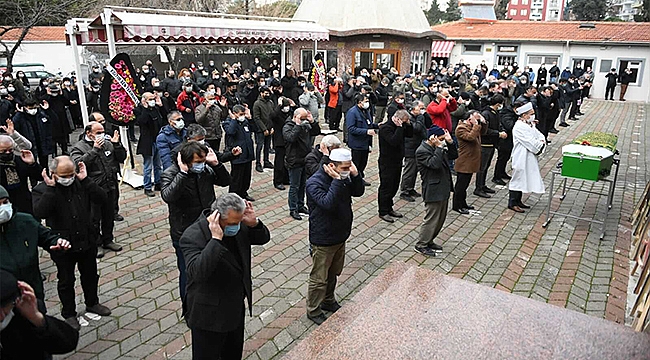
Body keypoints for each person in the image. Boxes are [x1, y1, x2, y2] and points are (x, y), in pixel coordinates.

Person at [181, 194, 270, 360]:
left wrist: (254, 224)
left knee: (232, 354)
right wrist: (215, 240)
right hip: (208, 315)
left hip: (234, 308)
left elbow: (262, 238)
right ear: (216, 217)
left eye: (239, 221)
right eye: (231, 224)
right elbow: (197, 273)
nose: (236, 227)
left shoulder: (238, 224)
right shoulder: (193, 236)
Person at [32, 157, 111, 330]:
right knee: (66, 280)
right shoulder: (43, 189)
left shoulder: (81, 183)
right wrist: (51, 189)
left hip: (86, 239)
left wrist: (86, 180)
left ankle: (92, 302)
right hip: (63, 244)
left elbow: (102, 198)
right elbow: (39, 212)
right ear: (53, 174)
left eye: (71, 174)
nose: (68, 179)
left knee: (90, 275)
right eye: (64, 175)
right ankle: (69, 313)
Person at [161, 141, 230, 308]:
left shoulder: (205, 170)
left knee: (211, 266)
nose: (201, 165)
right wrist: (183, 174)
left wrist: (216, 164)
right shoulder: (171, 173)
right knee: (188, 272)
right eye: (197, 162)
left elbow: (225, 181)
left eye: (203, 160)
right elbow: (168, 196)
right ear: (185, 161)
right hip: (184, 232)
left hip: (208, 227)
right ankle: (189, 306)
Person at [305, 148, 364, 324]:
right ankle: (313, 310)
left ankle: (328, 301)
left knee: (334, 272)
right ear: (332, 166)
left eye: (349, 166)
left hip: (340, 234)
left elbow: (358, 192)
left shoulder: (344, 177)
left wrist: (355, 175)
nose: (347, 170)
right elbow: (327, 203)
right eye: (344, 167)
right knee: (319, 277)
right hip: (323, 237)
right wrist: (338, 181)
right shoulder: (315, 182)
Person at [0, 185, 72, 309]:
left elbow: (46, 236)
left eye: (5, 202)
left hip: (32, 290)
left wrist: (57, 242)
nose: (3, 208)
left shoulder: (25, 221)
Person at [70, 122, 125, 258]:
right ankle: (97, 243)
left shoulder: (108, 143)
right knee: (94, 218)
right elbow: (78, 165)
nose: (101, 135)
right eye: (98, 132)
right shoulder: (79, 147)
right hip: (92, 188)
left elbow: (121, 158)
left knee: (109, 215)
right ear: (89, 133)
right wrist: (94, 150)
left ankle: (108, 239)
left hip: (110, 185)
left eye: (102, 131)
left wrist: (117, 145)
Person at [0, 270, 79, 359]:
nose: (2, 317)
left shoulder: (21, 312)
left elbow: (69, 342)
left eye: (6, 310)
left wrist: (37, 318)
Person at [414, 125, 457, 256]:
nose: (443, 140)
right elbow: (434, 164)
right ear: (432, 138)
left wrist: (450, 142)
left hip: (443, 187)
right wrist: (439, 147)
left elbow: (454, 155)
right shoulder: (422, 151)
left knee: (441, 218)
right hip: (433, 189)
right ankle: (421, 244)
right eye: (441, 138)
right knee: (432, 218)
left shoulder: (438, 146)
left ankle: (430, 240)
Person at [508, 102, 546, 213]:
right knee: (518, 178)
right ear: (524, 115)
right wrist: (539, 144)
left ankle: (518, 200)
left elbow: (539, 135)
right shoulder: (519, 127)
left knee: (523, 178)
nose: (533, 116)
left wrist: (541, 141)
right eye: (531, 113)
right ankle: (512, 202)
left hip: (529, 156)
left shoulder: (529, 124)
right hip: (520, 156)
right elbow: (530, 142)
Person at [377, 109, 413, 223]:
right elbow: (394, 141)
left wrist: (408, 124)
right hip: (387, 162)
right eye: (404, 121)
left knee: (394, 186)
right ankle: (383, 211)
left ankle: (389, 207)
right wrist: (399, 127)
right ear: (397, 119)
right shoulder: (385, 128)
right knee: (386, 187)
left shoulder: (401, 126)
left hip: (397, 161)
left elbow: (410, 134)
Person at [453, 111, 486, 214]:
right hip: (464, 161)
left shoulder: (472, 127)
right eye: (474, 119)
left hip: (471, 160)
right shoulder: (461, 128)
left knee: (465, 185)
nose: (476, 121)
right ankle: (457, 205)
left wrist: (482, 123)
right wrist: (476, 125)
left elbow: (482, 133)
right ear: (469, 119)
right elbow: (471, 137)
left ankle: (463, 203)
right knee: (460, 186)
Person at [283, 108, 313, 221]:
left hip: (305, 159)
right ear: (296, 117)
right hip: (294, 160)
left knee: (302, 184)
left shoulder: (305, 125)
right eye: (302, 118)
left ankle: (301, 205)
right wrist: (297, 124)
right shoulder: (288, 127)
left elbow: (315, 132)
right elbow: (290, 138)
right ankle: (293, 208)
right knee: (294, 186)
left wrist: (312, 121)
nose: (304, 121)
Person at [476, 95, 507, 198]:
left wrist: (501, 130)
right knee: (482, 167)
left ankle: (483, 185)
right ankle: (478, 187)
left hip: (492, 143)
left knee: (486, 166)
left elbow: (498, 124)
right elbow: (484, 130)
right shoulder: (486, 114)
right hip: (485, 144)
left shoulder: (495, 113)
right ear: (498, 104)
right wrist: (498, 133)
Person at [224, 105, 256, 201]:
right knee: (236, 178)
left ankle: (243, 192)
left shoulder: (245, 122)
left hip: (247, 153)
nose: (243, 116)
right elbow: (230, 132)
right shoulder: (228, 122)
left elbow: (255, 129)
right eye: (241, 114)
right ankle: (233, 196)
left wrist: (250, 119)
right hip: (237, 155)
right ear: (234, 114)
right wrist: (234, 120)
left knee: (246, 177)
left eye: (244, 114)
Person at [136, 92, 165, 197]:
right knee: (148, 166)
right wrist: (145, 108)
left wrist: (161, 105)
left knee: (158, 164)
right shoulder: (140, 110)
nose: (152, 101)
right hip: (147, 142)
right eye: (150, 99)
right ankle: (147, 187)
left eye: (153, 98)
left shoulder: (156, 109)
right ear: (144, 100)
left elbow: (164, 118)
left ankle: (158, 183)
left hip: (157, 140)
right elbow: (141, 121)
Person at [346, 94, 378, 185]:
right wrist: (366, 131)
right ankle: (355, 181)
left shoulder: (366, 111)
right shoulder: (352, 112)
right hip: (357, 143)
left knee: (363, 163)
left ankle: (360, 178)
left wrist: (377, 126)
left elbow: (369, 123)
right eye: (365, 101)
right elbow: (351, 128)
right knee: (356, 163)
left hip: (365, 143)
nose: (367, 103)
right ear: (360, 102)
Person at [12, 98, 53, 167]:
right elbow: (14, 127)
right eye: (30, 108)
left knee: (44, 164)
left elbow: (51, 122)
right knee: (31, 164)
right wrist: (19, 113)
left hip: (42, 143)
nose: (33, 110)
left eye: (34, 107)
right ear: (25, 107)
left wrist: (47, 110)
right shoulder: (21, 116)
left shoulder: (41, 114)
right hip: (29, 144)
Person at [399, 102, 427, 202]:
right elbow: (416, 128)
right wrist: (420, 119)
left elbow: (428, 124)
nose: (421, 111)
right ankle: (404, 191)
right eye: (419, 108)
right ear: (412, 110)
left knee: (415, 170)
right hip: (410, 147)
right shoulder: (408, 118)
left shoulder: (419, 117)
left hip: (417, 145)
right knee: (409, 170)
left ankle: (410, 188)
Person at [493, 102, 518, 184]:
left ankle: (502, 172)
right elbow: (509, 126)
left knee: (506, 157)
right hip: (504, 140)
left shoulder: (511, 113)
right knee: (502, 158)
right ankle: (497, 176)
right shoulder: (507, 114)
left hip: (509, 140)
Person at [253, 86, 275, 173]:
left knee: (267, 146)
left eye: (268, 93)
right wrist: (264, 129)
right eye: (265, 93)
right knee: (259, 146)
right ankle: (258, 163)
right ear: (261, 93)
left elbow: (272, 116)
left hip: (269, 128)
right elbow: (257, 118)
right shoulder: (257, 104)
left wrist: (272, 127)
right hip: (260, 130)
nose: (267, 95)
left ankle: (266, 161)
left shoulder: (270, 102)